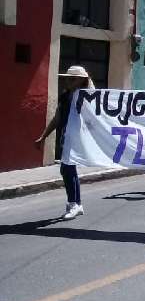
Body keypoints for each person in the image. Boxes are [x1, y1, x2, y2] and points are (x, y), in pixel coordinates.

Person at [34, 65, 95, 220]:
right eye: (67, 78)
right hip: (65, 137)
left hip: (77, 138)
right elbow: (58, 118)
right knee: (67, 170)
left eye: (72, 78)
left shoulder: (87, 97)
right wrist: (44, 136)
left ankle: (74, 203)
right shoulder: (65, 96)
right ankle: (76, 203)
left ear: (81, 81)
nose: (68, 81)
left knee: (68, 169)